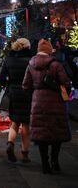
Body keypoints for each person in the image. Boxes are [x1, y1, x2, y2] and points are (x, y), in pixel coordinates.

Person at [23, 39, 71, 174]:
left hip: (38, 102)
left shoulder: (31, 65)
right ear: (49, 50)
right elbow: (66, 83)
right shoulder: (55, 65)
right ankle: (55, 161)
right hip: (55, 103)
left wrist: (34, 95)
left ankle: (45, 163)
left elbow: (26, 86)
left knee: (41, 135)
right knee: (56, 133)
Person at [0, 38, 33, 163]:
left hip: (13, 93)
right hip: (28, 94)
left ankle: (10, 143)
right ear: (27, 47)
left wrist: (8, 84)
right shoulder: (31, 61)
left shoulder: (9, 60)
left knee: (14, 122)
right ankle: (24, 154)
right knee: (26, 125)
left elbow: (1, 78)